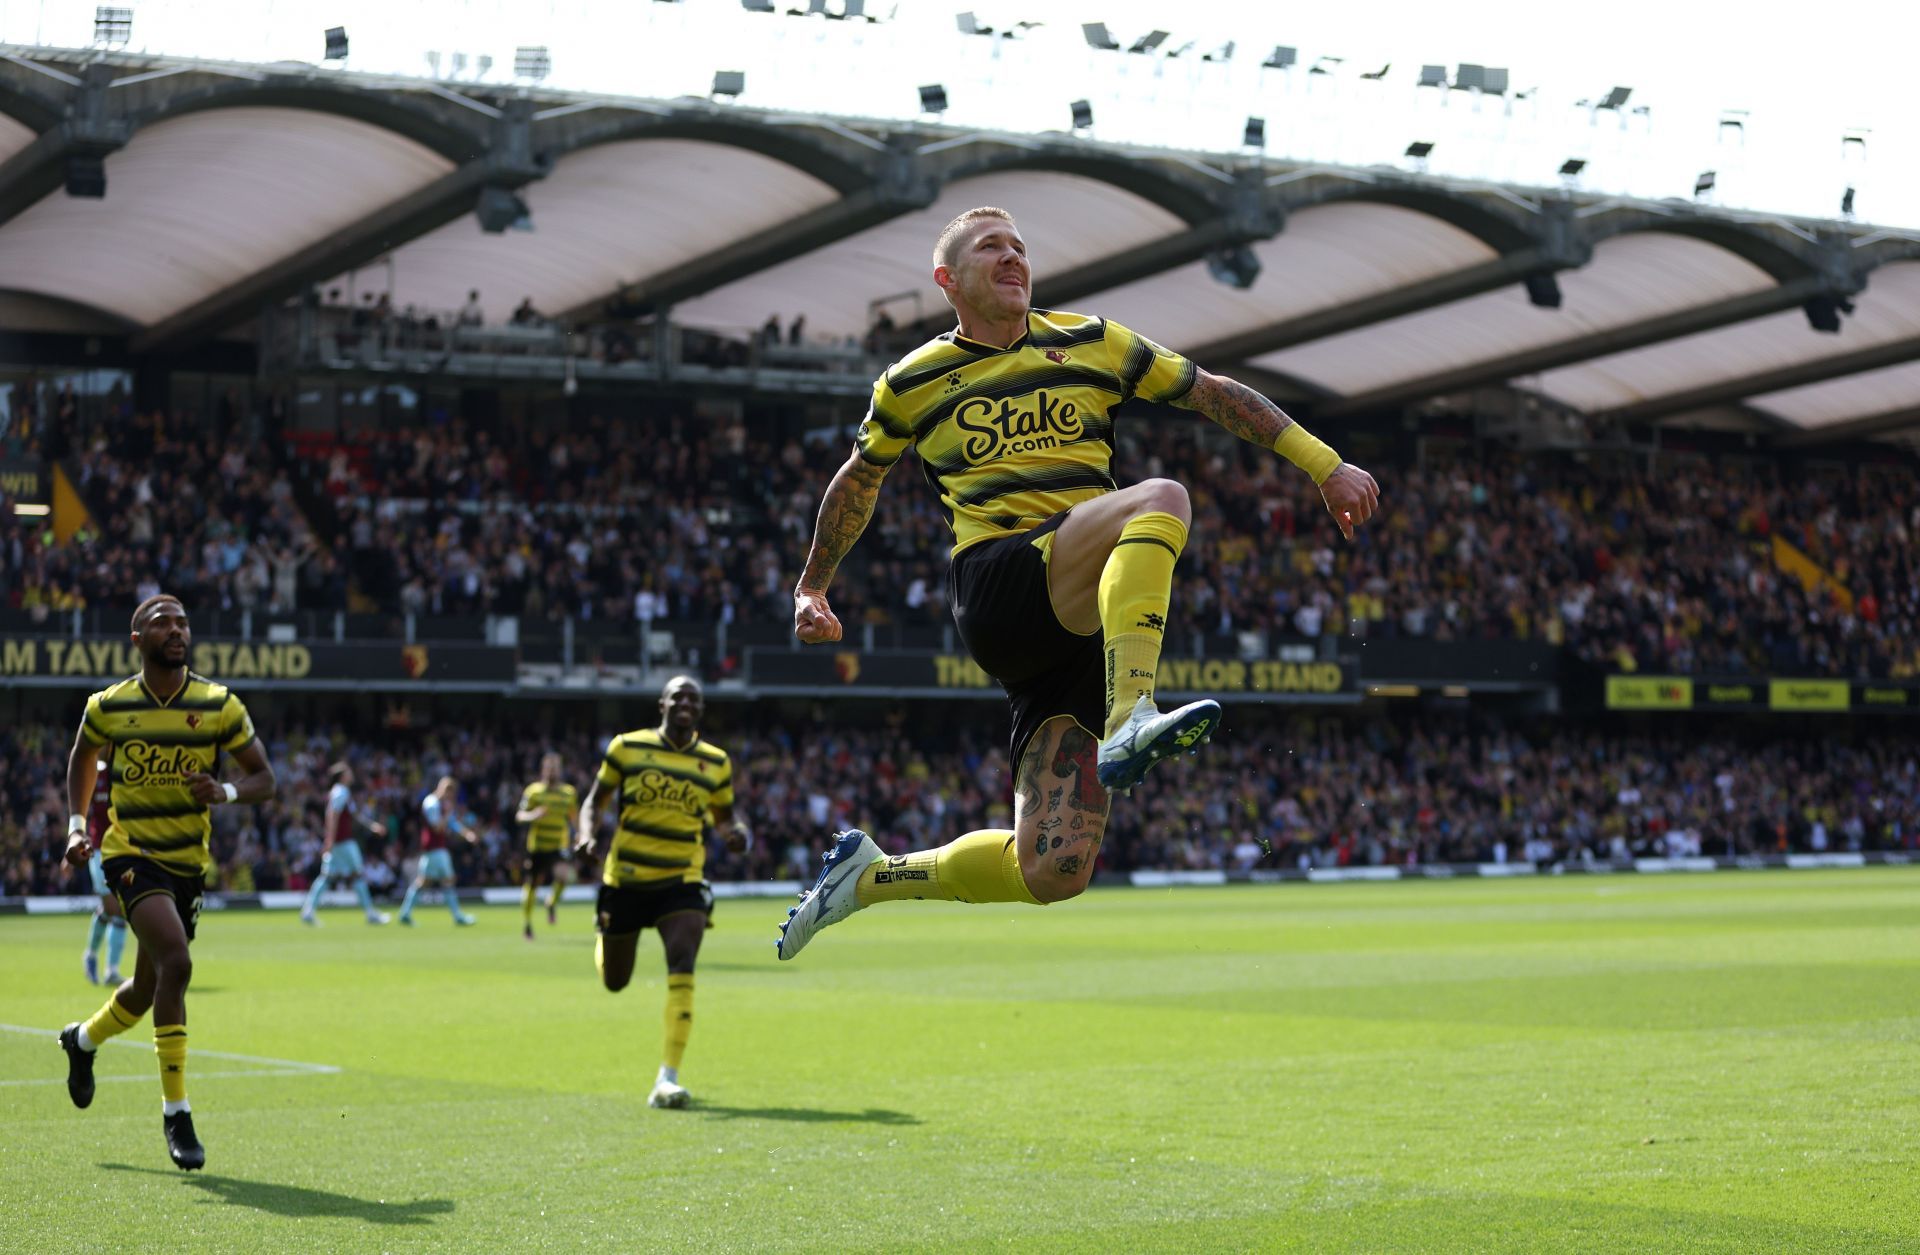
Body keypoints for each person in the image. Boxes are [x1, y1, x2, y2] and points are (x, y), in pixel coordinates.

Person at [777, 206, 1379, 960]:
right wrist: (812, 584)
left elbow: (1213, 391)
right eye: (990, 247)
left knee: (1054, 868)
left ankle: (867, 878)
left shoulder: (1094, 340)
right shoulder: (912, 381)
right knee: (1163, 497)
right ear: (947, 279)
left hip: (1076, 622)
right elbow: (858, 481)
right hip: (999, 583)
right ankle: (1133, 712)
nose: (1012, 257)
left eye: (1021, 246)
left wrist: (1326, 462)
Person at [56, 594, 277, 1170]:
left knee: (148, 989)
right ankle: (176, 1113)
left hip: (187, 864)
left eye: (182, 622)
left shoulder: (218, 704)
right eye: (163, 623)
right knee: (177, 964)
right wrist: (78, 827)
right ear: (138, 639)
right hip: (130, 854)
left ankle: (81, 1040)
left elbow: (265, 778)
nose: (176, 630)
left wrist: (223, 791)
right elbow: (82, 758)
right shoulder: (108, 705)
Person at [575, 676, 750, 1109]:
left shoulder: (716, 762)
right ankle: (604, 933)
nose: (686, 702)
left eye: (694, 697)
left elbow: (724, 816)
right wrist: (585, 835)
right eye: (678, 696)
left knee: (683, 958)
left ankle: (667, 1077)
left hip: (681, 880)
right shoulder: (626, 748)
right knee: (615, 981)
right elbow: (594, 802)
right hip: (626, 880)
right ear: (662, 704)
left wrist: (735, 833)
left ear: (701, 709)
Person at [299, 761, 391, 926]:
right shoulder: (341, 792)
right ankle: (370, 914)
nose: (351, 774)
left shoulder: (340, 792)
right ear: (342, 776)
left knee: (327, 877)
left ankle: (308, 911)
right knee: (357, 875)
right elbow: (333, 815)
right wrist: (330, 839)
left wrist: (372, 826)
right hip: (344, 842)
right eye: (348, 772)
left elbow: (353, 815)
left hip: (339, 842)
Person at [397, 776, 479, 927]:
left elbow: (452, 823)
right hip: (435, 849)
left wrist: (467, 833)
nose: (451, 798)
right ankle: (457, 916)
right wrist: (447, 814)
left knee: (424, 882)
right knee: (446, 880)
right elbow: (437, 827)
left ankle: (405, 913)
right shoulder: (432, 803)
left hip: (434, 849)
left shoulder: (440, 804)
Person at [79, 749, 130, 986]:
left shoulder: (123, 775)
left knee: (117, 909)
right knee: (115, 909)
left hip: (123, 850)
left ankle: (103, 964)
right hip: (99, 851)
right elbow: (79, 812)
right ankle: (105, 965)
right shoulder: (94, 776)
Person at [514, 753, 577, 940]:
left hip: (559, 845)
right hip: (537, 847)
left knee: (565, 876)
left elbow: (574, 817)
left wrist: (581, 836)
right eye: (549, 768)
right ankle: (527, 924)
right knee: (532, 886)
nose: (553, 771)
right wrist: (533, 815)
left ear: (560, 770)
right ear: (543, 770)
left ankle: (551, 903)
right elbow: (520, 815)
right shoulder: (533, 791)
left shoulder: (568, 793)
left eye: (556, 768)